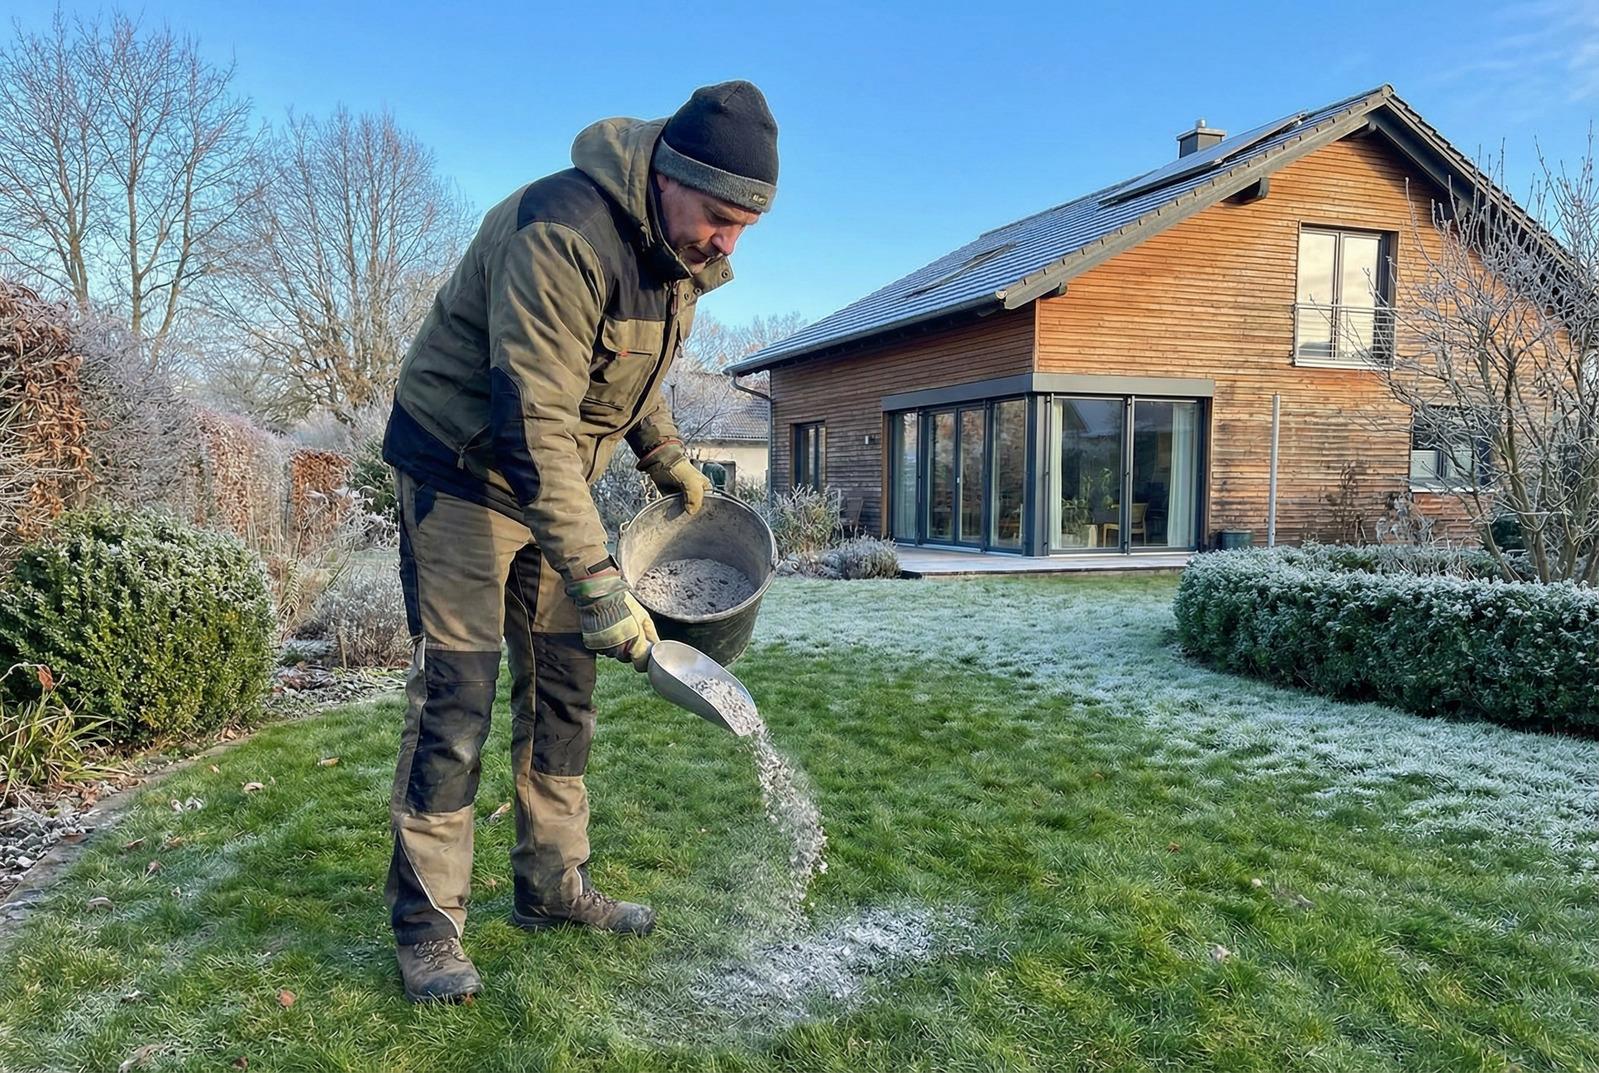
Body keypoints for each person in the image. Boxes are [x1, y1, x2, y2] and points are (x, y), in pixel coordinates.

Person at [378, 81, 777, 1004]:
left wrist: (670, 459)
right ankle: (430, 927)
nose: (728, 243)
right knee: (457, 697)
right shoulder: (561, 233)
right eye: (720, 217)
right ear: (668, 175)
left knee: (565, 684)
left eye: (745, 227)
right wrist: (602, 585)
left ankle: (552, 887)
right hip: (462, 467)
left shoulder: (670, 252)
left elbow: (629, 376)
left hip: (545, 471)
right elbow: (532, 423)